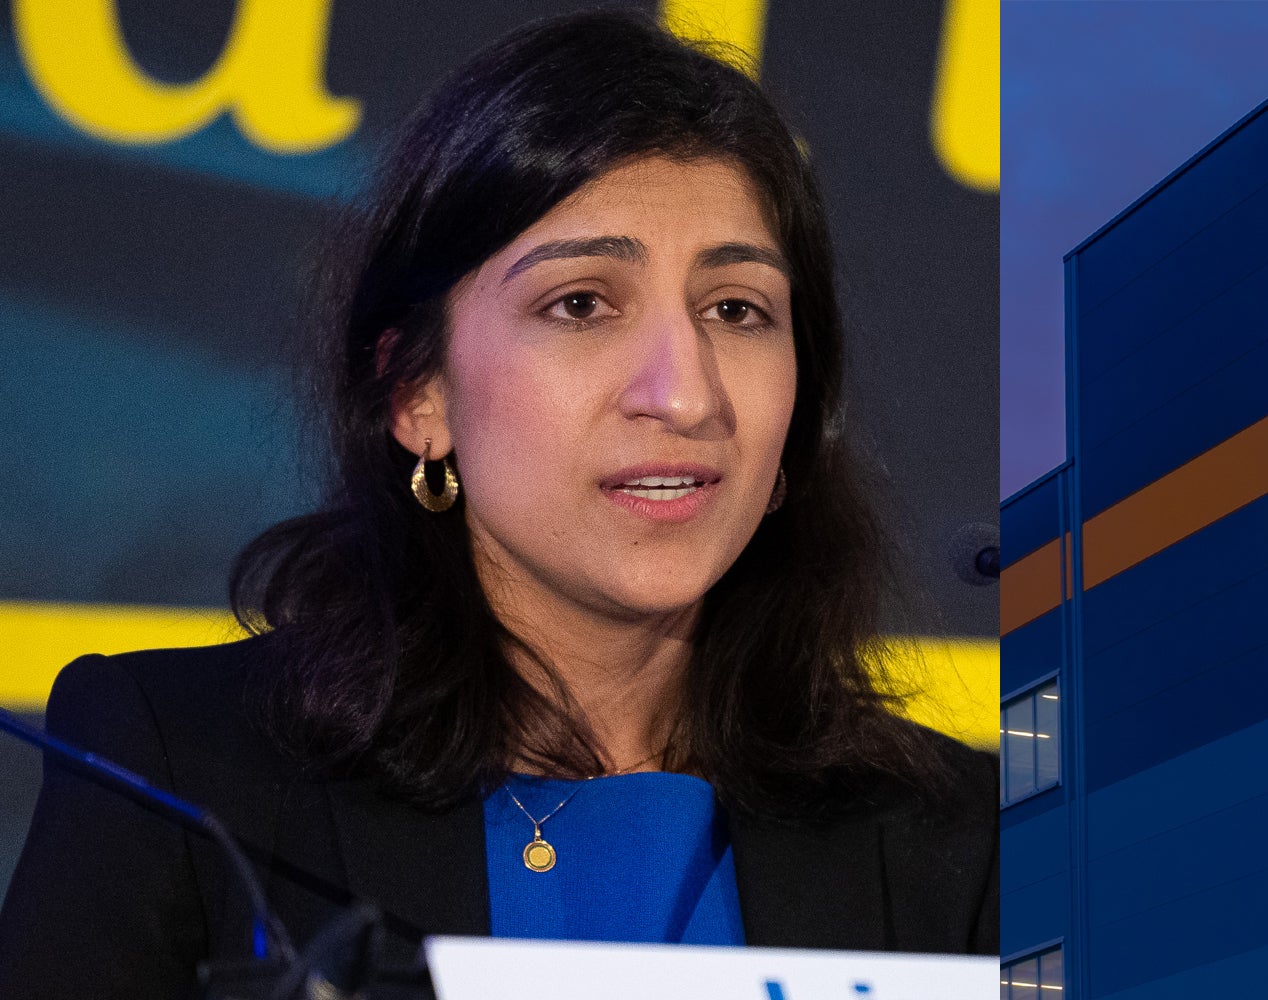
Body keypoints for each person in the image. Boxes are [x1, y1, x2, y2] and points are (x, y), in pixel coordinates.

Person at [0, 10, 996, 997]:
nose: (685, 393)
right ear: (417, 396)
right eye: (580, 304)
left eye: (735, 311)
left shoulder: (964, 843)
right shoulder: (182, 772)